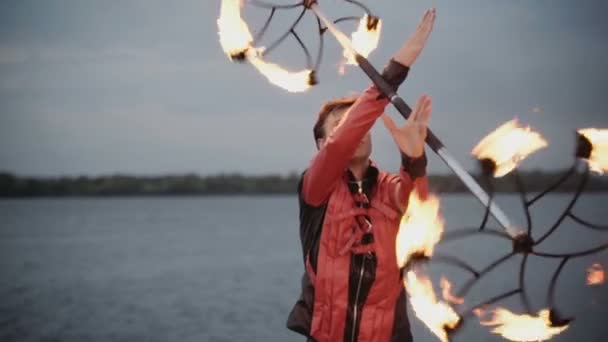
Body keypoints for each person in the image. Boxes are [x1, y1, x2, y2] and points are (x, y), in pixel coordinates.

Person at [286, 8, 437, 342]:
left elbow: (420, 212)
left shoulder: (389, 188)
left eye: (360, 125)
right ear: (323, 145)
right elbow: (343, 141)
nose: (356, 130)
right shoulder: (316, 187)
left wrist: (414, 156)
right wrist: (395, 71)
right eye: (341, 126)